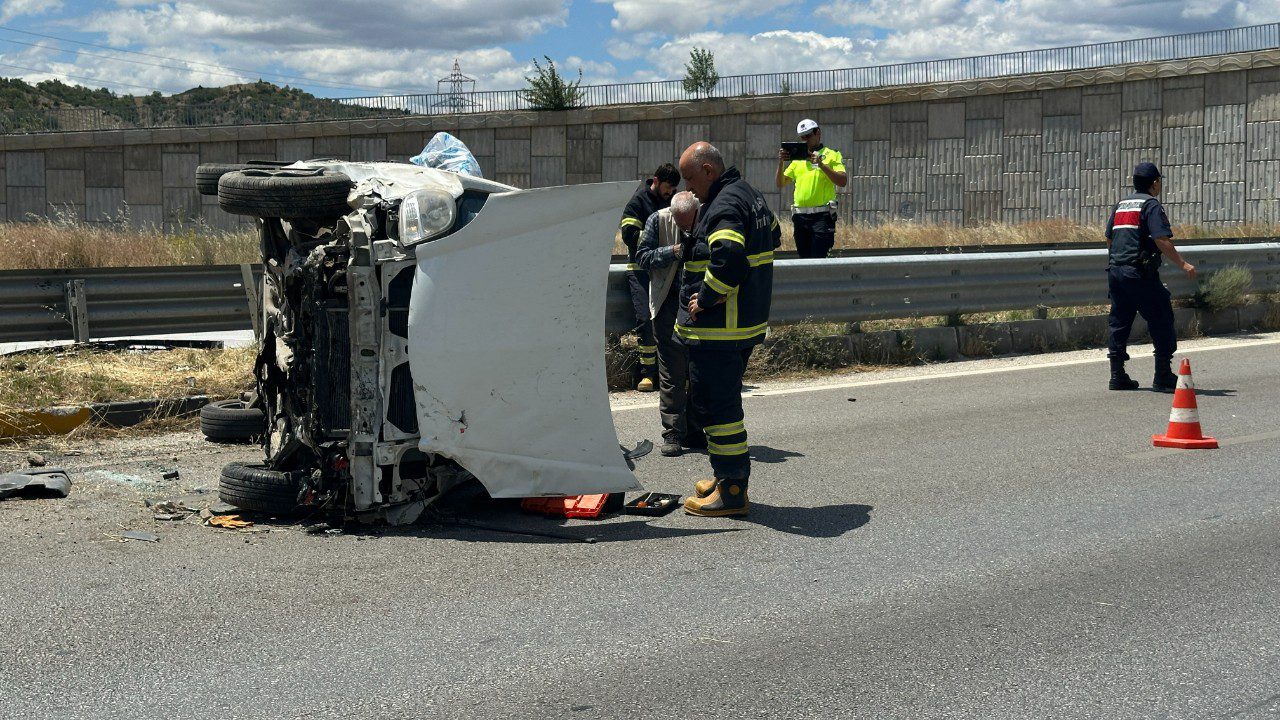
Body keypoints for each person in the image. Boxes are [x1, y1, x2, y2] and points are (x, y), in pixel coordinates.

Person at [675, 142, 780, 517]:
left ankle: (733, 489)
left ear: (708, 170)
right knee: (722, 404)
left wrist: (706, 298)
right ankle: (724, 476)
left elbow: (729, 257)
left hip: (721, 330)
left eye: (689, 178)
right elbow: (775, 236)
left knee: (718, 410)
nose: (686, 188)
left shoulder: (723, 204)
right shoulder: (750, 194)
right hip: (743, 324)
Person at [1104, 162, 1197, 393]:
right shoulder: (1151, 205)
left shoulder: (1122, 204)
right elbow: (1161, 239)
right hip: (1138, 273)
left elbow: (1109, 239)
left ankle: (1117, 375)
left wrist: (1119, 260)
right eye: (1159, 181)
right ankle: (1163, 375)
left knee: (1120, 320)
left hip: (1116, 271)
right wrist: (1183, 264)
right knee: (1162, 316)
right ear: (1154, 182)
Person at [635, 191, 703, 457]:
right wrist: (674, 251)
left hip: (701, 303)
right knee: (672, 371)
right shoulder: (658, 220)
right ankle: (672, 431)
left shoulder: (708, 218)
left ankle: (696, 429)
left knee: (698, 370)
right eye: (681, 223)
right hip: (668, 303)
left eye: (690, 223)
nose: (686, 228)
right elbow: (642, 257)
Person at [619, 164, 681, 392]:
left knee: (669, 319)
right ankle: (647, 374)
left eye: (674, 188)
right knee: (645, 320)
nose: (671, 192)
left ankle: (670, 372)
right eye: (667, 187)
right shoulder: (637, 202)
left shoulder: (672, 201)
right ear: (655, 180)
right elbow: (629, 236)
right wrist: (658, 236)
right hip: (640, 270)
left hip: (665, 270)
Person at [775, 118, 847, 259]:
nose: (806, 140)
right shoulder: (797, 160)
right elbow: (780, 183)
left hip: (822, 217)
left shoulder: (832, 154)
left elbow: (842, 181)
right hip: (800, 218)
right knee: (804, 260)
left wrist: (822, 165)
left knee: (819, 259)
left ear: (818, 132)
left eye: (808, 135)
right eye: (802, 137)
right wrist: (781, 162)